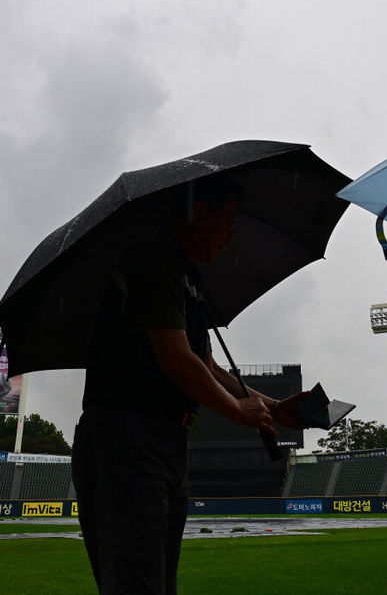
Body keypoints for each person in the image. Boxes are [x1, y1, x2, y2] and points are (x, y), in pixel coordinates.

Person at [71, 177, 310, 594]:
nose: (230, 238)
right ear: (200, 213)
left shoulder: (188, 278)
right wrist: (239, 412)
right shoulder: (153, 257)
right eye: (229, 222)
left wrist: (272, 406)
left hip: (160, 444)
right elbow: (177, 360)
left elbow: (206, 364)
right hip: (127, 442)